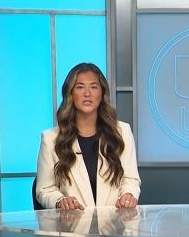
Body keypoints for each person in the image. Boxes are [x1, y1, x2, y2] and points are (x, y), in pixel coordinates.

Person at [36, 63, 140, 210]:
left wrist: (128, 194)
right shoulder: (50, 139)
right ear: (70, 94)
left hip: (114, 221)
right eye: (80, 87)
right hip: (71, 222)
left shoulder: (122, 132)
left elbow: (130, 179)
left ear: (102, 93)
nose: (87, 93)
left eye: (93, 87)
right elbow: (45, 190)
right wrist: (60, 200)